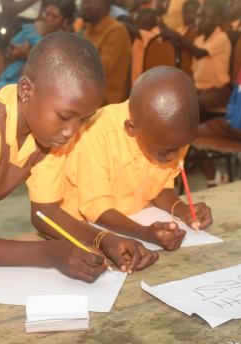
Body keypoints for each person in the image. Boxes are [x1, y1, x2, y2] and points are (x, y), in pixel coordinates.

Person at [0, 32, 158, 283]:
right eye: (64, 116)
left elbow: (44, 212)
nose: (71, 131)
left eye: (83, 119)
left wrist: (104, 239)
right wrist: (49, 253)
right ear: (26, 90)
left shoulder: (48, 135)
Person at [60, 66, 213, 251]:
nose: (174, 156)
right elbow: (96, 208)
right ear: (131, 129)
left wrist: (182, 209)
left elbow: (160, 187)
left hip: (135, 218)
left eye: (181, 147)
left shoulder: (172, 137)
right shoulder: (96, 133)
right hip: (79, 232)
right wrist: (145, 233)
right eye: (166, 151)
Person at [197, 17, 241, 185]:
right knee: (189, 133)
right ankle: (214, 178)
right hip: (231, 127)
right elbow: (234, 99)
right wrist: (231, 118)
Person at [0, 0, 75, 96]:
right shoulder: (32, 30)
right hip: (11, 79)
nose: (48, 19)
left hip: (36, 90)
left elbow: (59, 69)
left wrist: (28, 54)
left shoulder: (69, 41)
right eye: (47, 14)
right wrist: (14, 52)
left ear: (65, 20)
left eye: (54, 16)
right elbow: (10, 52)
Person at [163, 0, 232, 114]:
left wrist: (177, 36)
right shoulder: (198, 40)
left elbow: (199, 53)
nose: (199, 20)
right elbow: (195, 69)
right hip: (198, 89)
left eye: (204, 17)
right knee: (174, 99)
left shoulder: (221, 37)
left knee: (192, 105)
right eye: (199, 16)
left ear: (217, 20)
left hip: (217, 90)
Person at [80, 0, 131, 104]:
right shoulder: (88, 30)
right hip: (85, 92)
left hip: (106, 101)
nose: (84, 4)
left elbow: (97, 72)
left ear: (105, 3)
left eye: (89, 1)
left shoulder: (116, 31)